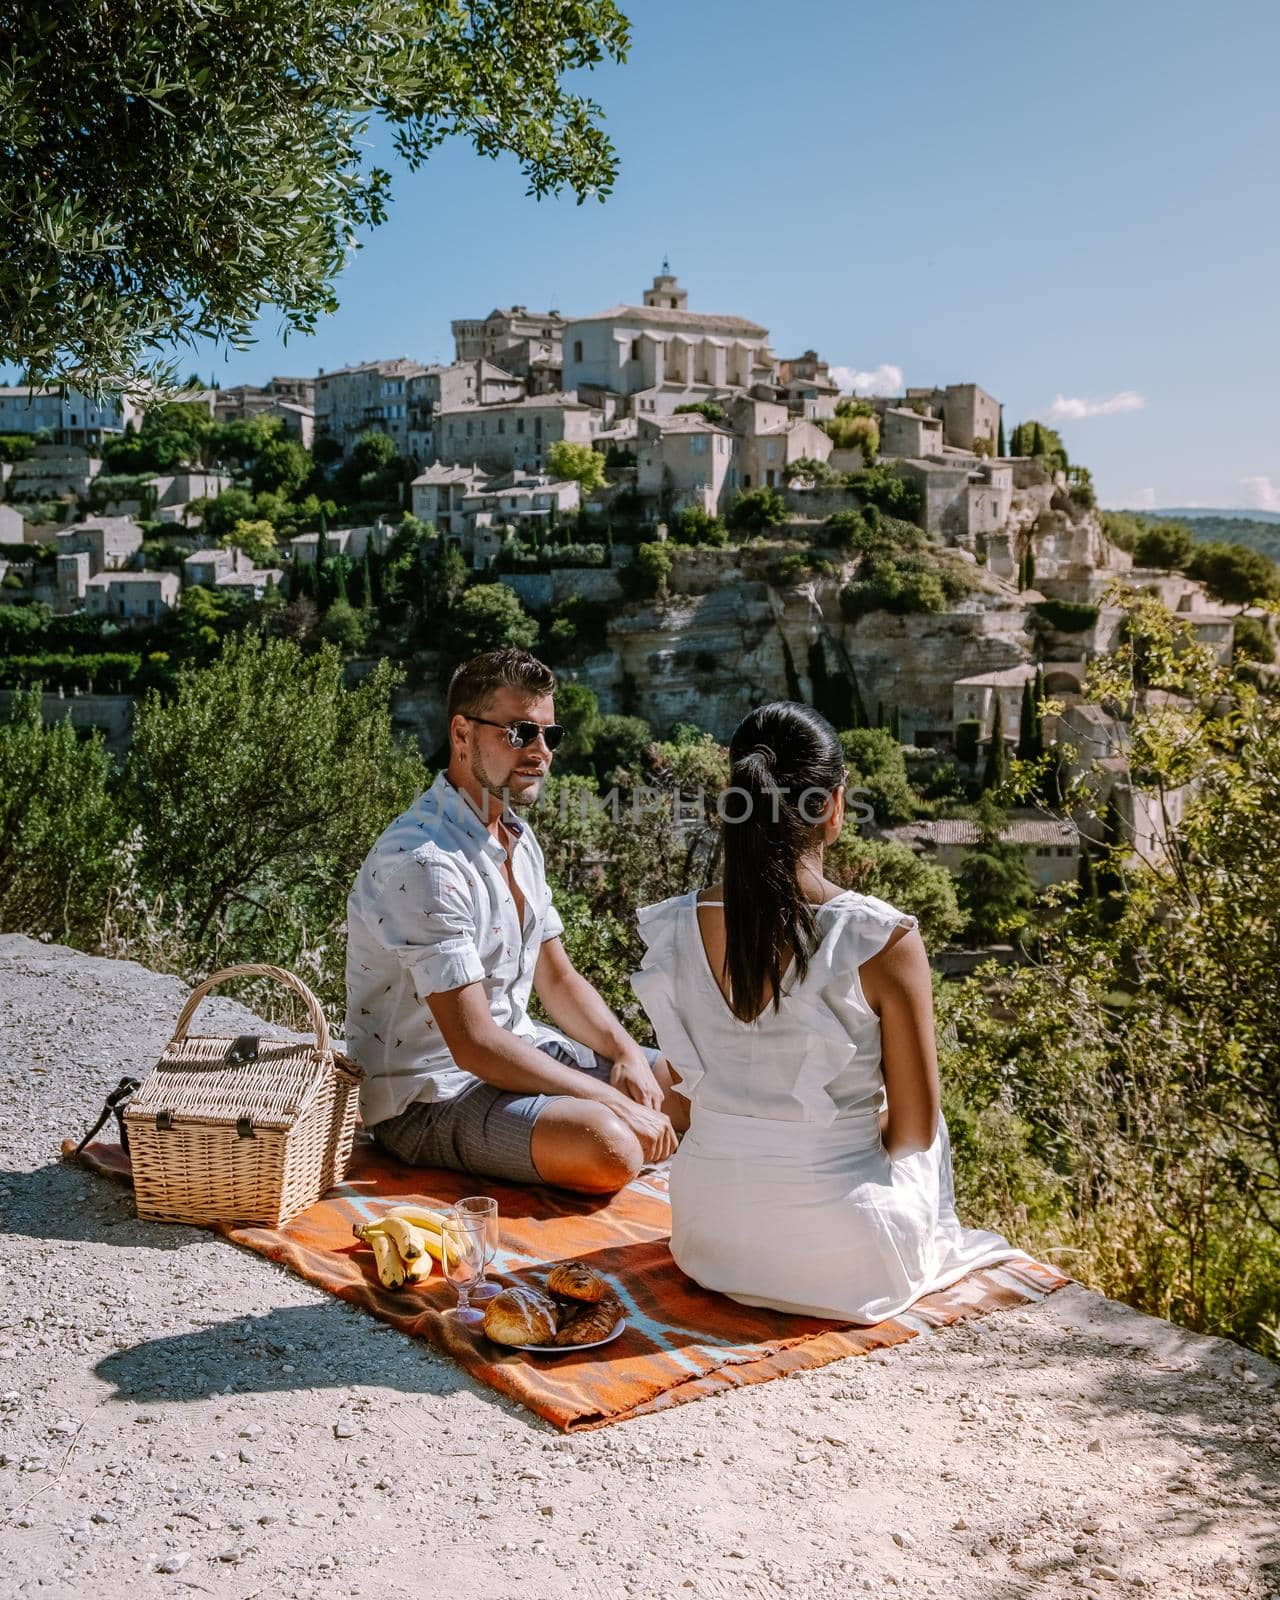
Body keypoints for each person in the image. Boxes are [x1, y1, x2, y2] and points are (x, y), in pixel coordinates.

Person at [628, 700, 1032, 1323]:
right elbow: (915, 1132)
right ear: (833, 806)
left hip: (706, 1241)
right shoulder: (881, 938)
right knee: (929, 1118)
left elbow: (682, 1101)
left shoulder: (676, 926)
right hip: (847, 1261)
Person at [345, 647, 686, 1194]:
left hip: (522, 1055)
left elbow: (558, 978)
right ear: (462, 734)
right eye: (520, 733)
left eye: (551, 736)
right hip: (432, 1095)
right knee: (610, 1145)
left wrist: (625, 1055)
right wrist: (607, 1096)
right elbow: (474, 1043)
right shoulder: (424, 861)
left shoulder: (516, 839)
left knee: (694, 1083)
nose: (541, 752)